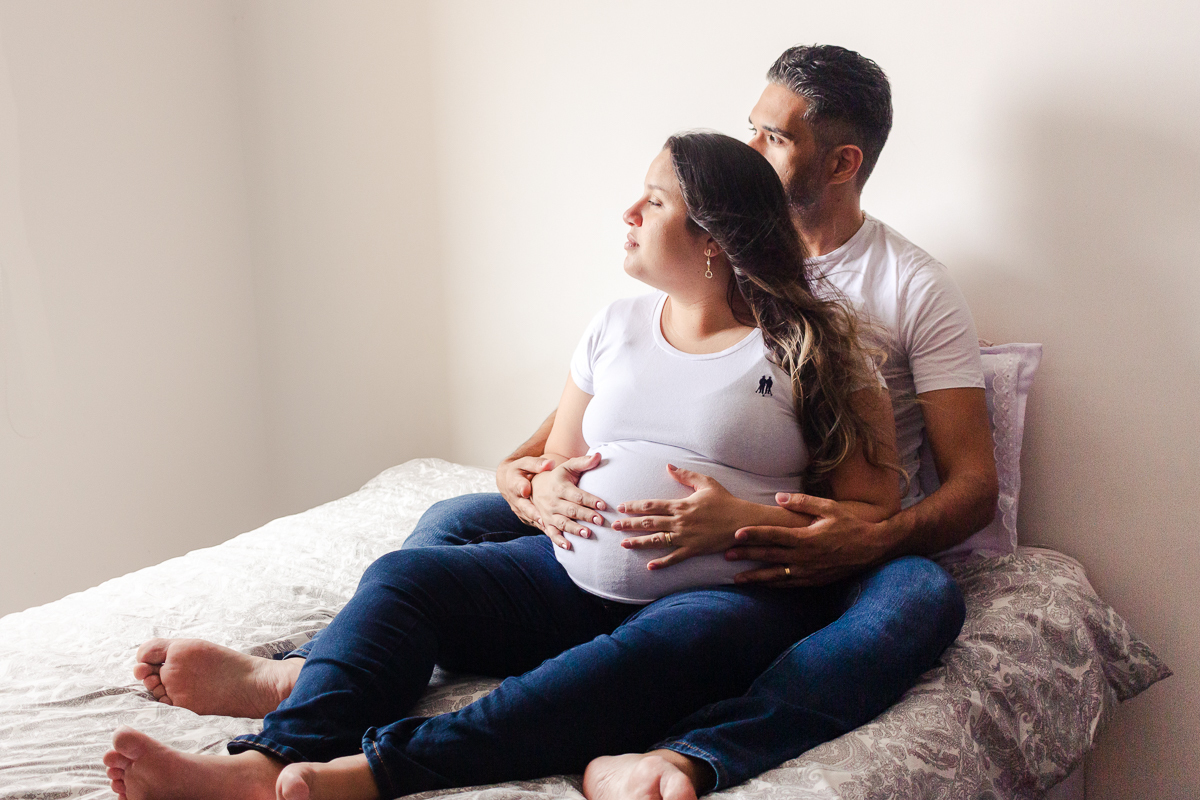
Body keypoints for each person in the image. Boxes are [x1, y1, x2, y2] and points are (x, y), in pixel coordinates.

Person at [126, 44, 989, 799]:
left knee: (908, 599)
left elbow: (918, 495)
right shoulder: (621, 321)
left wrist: (772, 529)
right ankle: (297, 713)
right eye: (749, 131)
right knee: (424, 552)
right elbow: (555, 449)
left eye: (773, 137)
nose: (752, 149)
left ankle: (412, 758)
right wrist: (530, 484)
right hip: (579, 567)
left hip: (744, 578)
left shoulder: (852, 321)